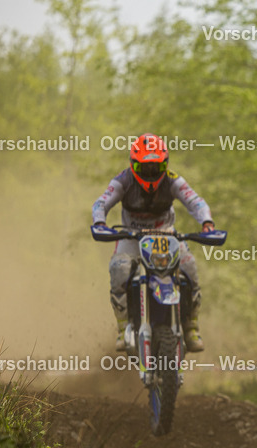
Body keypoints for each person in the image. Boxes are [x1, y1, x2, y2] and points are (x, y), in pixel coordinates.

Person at [92, 133, 216, 352]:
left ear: (165, 165)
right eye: (144, 169)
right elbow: (101, 203)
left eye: (155, 168)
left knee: (190, 267)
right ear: (133, 166)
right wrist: (100, 222)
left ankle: (190, 326)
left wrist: (207, 222)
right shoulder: (123, 180)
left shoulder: (173, 180)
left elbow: (195, 201)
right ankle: (123, 327)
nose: (150, 175)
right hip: (132, 236)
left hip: (166, 234)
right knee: (118, 269)